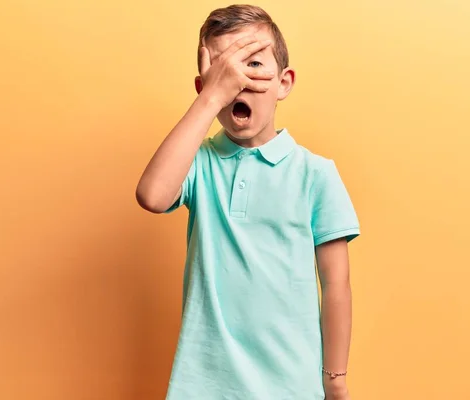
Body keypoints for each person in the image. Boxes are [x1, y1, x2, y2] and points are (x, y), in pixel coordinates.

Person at [136, 5, 359, 399]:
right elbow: (152, 196)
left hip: (290, 385)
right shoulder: (199, 162)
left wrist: (335, 379)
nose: (237, 80)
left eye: (253, 64)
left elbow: (336, 285)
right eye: (223, 70)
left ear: (284, 82)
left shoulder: (315, 174)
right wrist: (210, 98)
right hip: (202, 385)